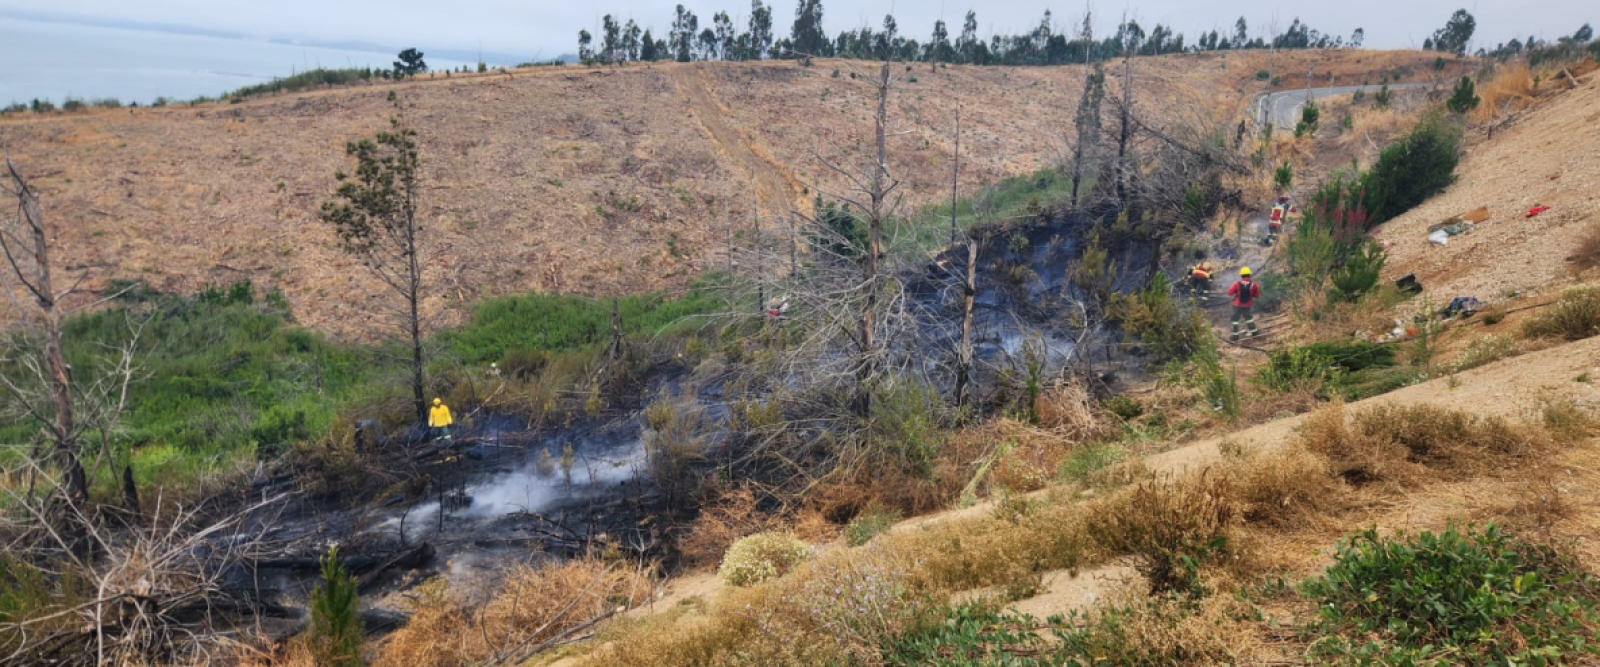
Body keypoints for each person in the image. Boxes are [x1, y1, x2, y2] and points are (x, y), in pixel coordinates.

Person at [1227, 267, 1261, 341]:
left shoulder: (1237, 283)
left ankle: (1235, 336)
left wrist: (1237, 292)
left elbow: (1229, 292)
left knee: (1235, 319)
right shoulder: (1253, 284)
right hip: (1247, 305)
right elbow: (1257, 296)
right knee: (1249, 319)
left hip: (1237, 305)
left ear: (1241, 275)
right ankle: (1254, 332)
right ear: (1249, 275)